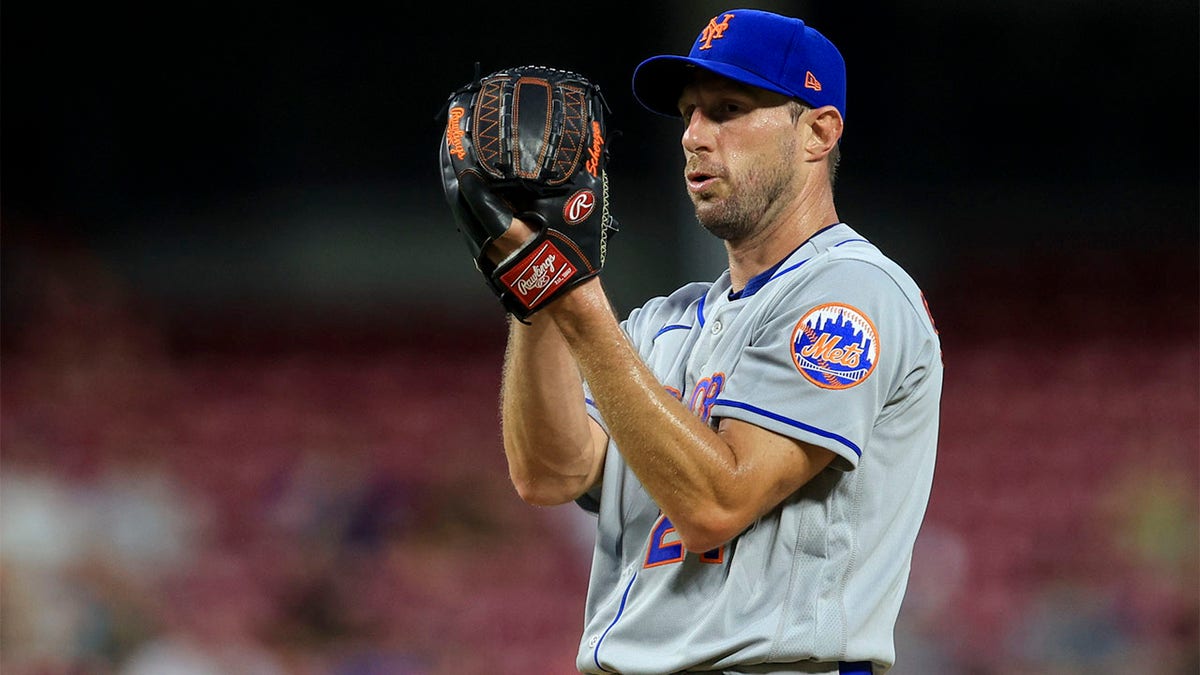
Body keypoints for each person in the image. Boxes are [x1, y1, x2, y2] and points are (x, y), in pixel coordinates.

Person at [484, 8, 942, 674]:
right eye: (689, 113)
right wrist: (535, 286)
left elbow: (715, 504)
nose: (695, 136)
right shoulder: (659, 323)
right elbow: (550, 474)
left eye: (728, 109)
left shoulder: (852, 292)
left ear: (818, 130)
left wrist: (579, 302)